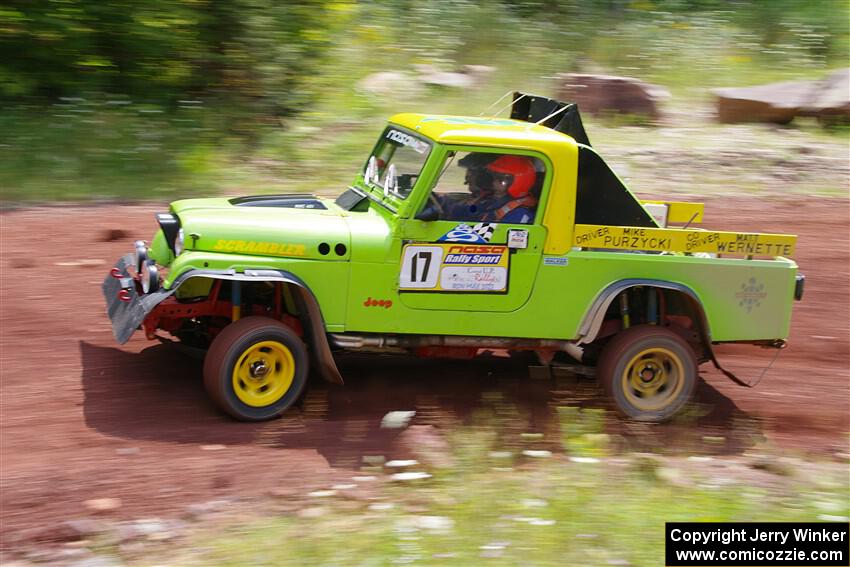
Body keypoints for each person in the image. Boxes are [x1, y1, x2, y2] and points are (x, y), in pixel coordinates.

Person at [481, 155, 538, 224]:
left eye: (501, 180)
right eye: (494, 178)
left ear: (519, 182)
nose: (494, 183)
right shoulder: (497, 203)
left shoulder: (519, 213)